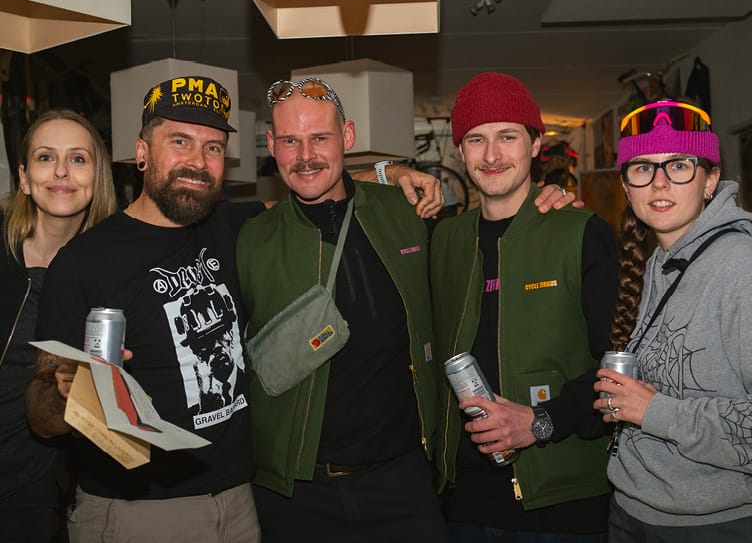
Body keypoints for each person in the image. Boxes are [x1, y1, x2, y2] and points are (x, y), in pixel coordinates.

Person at [24, 75, 445, 543]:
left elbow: (315, 183)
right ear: (141, 152)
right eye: (179, 142)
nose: (197, 161)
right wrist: (73, 392)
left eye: (213, 148)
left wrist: (390, 174)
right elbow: (40, 413)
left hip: (241, 503)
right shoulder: (83, 262)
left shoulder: (231, 226)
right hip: (139, 511)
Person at [236, 76, 575, 542]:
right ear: (272, 144)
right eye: (290, 141)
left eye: (320, 137)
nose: (305, 155)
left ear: (348, 136)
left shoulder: (407, 213)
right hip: (296, 493)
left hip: (404, 483)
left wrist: (547, 204)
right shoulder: (247, 236)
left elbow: (494, 236)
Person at [594, 99, 752, 542]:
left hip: (727, 521)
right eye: (642, 168)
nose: (660, 182)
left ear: (711, 180)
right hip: (636, 508)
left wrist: (656, 412)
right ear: (626, 187)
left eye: (679, 165)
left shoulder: (750, 270)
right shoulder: (657, 263)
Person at [431, 72, 619, 542]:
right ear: (460, 152)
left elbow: (620, 366)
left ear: (536, 144)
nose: (492, 155)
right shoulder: (444, 240)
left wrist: (541, 421)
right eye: (476, 140)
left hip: (564, 501)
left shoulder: (582, 232)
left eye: (508, 136)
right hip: (464, 503)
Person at [1, 109, 117, 543]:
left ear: (97, 177)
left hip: (33, 490)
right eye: (46, 157)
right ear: (24, 177)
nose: (62, 171)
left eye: (78, 158)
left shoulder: (112, 274)